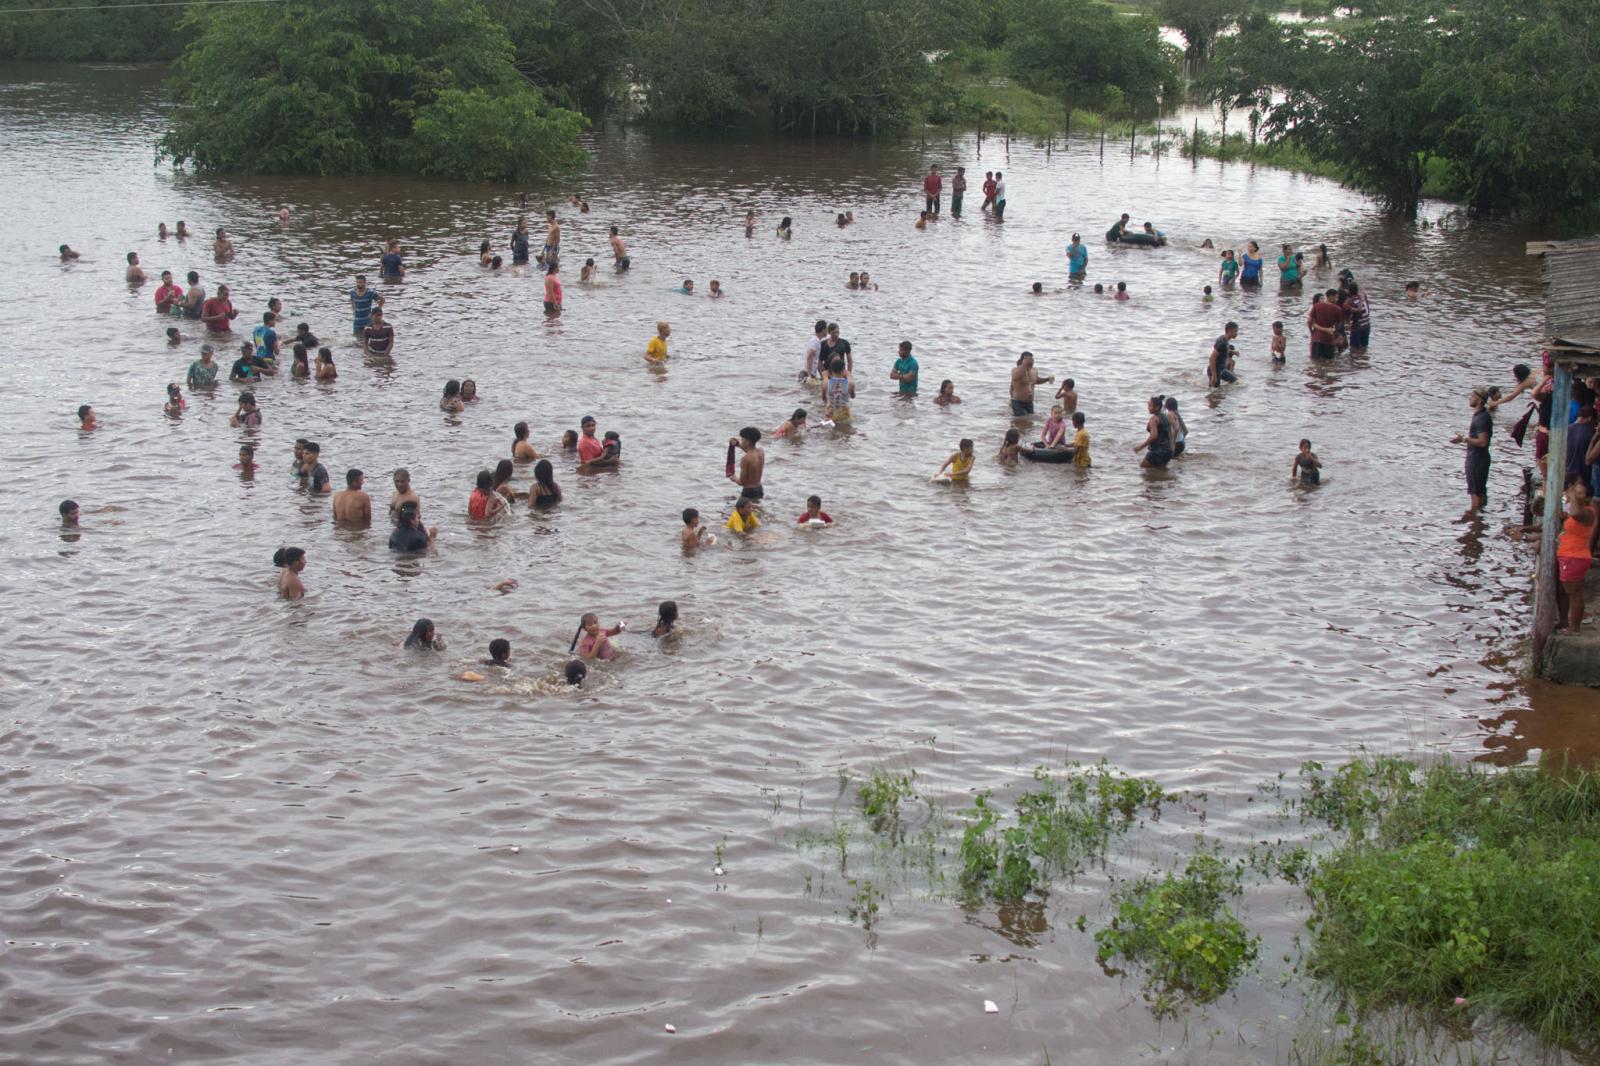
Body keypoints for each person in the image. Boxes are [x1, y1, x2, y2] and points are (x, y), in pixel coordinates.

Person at [1556, 480, 1594, 632]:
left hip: (1575, 557)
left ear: (1587, 498)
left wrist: (1571, 496)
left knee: (1574, 593)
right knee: (1568, 592)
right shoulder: (1576, 512)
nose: (1576, 495)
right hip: (1569, 555)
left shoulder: (1587, 512)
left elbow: (1576, 513)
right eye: (1575, 491)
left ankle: (1574, 628)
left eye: (1580, 493)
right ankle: (1567, 622)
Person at [1452, 388, 1493, 514]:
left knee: (1475, 492)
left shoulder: (1481, 418)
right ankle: (1480, 518)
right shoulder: (1481, 416)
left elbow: (1483, 442)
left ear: (1480, 401)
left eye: (1473, 396)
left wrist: (1464, 439)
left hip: (1477, 459)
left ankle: (1475, 519)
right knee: (1479, 490)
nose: (1470, 398)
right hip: (1478, 458)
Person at [1134, 395, 1175, 468]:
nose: (1148, 408)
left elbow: (1153, 436)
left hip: (1157, 451)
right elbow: (1171, 432)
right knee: (1161, 473)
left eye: (1150, 406)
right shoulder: (1165, 417)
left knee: (1143, 470)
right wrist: (1171, 446)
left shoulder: (1154, 419)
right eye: (1148, 405)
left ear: (1157, 407)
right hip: (1168, 451)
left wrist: (1140, 447)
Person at [1010, 351, 1053, 416]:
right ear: (1022, 360)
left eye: (1031, 359)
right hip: (1018, 402)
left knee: (1029, 422)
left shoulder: (1034, 370)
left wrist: (1047, 379)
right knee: (1022, 421)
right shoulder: (1016, 370)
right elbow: (1014, 378)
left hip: (1029, 402)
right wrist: (1024, 365)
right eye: (1028, 359)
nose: (1030, 361)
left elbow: (1036, 380)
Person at [728, 427, 765, 499]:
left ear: (747, 441)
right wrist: (738, 444)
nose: (741, 441)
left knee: (743, 509)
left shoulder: (745, 459)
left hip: (749, 491)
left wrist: (734, 478)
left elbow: (742, 482)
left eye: (742, 439)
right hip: (759, 488)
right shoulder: (761, 451)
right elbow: (750, 450)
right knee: (756, 508)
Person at [1210, 323, 1240, 387]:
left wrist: (1232, 351)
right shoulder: (1222, 342)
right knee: (1214, 393)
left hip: (1222, 369)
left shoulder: (1224, 339)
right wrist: (1214, 375)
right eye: (1236, 331)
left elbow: (1220, 351)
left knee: (1236, 382)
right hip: (1216, 370)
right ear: (1229, 331)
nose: (1237, 333)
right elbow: (1212, 358)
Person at [1345, 282, 1372, 348]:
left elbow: (1348, 316)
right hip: (1367, 324)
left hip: (1358, 327)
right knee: (1364, 347)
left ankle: (1356, 358)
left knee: (1354, 349)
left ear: (1349, 291)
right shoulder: (1363, 296)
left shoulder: (1350, 301)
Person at [824, 356, 851, 421]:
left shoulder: (826, 383)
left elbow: (823, 398)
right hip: (844, 413)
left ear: (832, 370)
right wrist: (849, 376)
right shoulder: (849, 384)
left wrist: (825, 376)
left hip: (830, 413)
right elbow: (853, 396)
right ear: (843, 370)